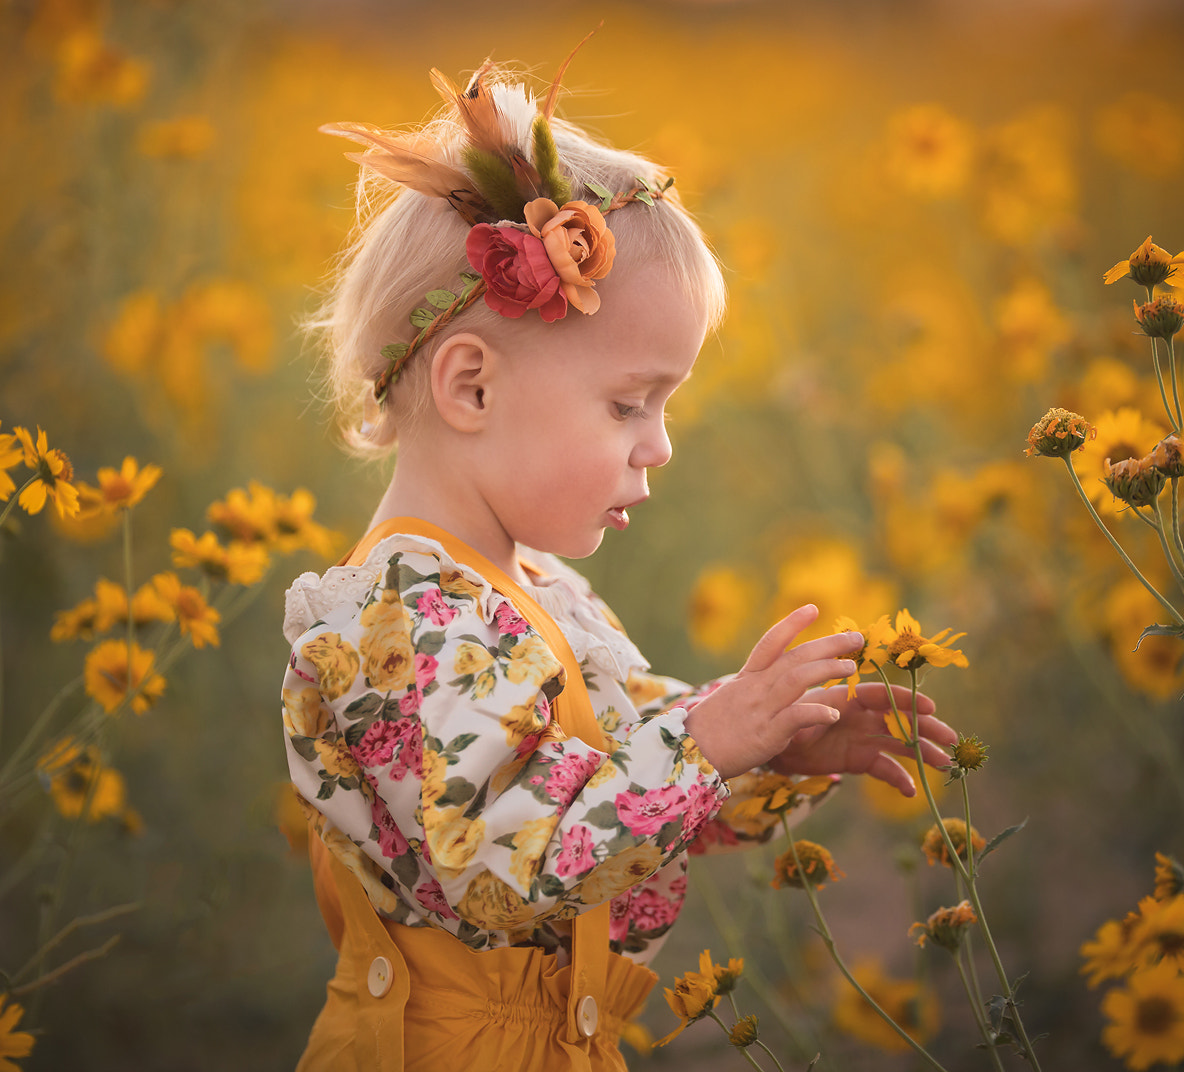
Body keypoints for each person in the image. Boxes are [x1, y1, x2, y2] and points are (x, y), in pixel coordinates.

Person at [279, 55, 957, 1071]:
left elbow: (619, 776)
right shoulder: (407, 620)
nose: (660, 444)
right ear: (471, 389)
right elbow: (515, 861)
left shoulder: (531, 587)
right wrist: (709, 741)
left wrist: (763, 750)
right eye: (628, 403)